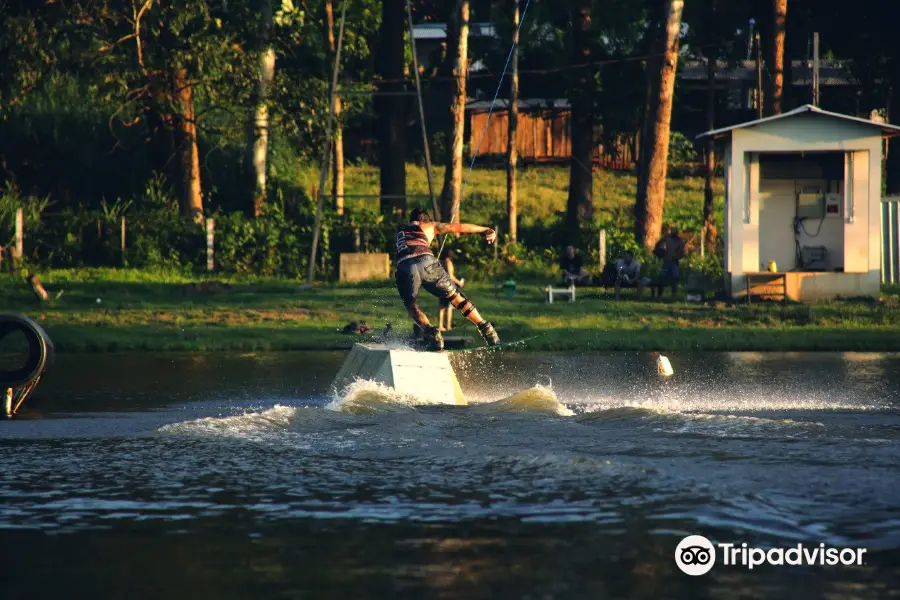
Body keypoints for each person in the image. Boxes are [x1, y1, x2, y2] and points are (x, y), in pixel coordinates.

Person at [395, 207, 500, 351]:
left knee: (412, 306)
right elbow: (459, 227)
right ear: (425, 220)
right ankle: (486, 330)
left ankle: (434, 335)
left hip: (405, 266)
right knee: (455, 297)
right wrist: (486, 230)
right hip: (427, 262)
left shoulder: (400, 232)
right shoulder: (429, 226)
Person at [653, 227, 686, 298]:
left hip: (674, 263)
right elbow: (658, 245)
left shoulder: (680, 241)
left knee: (674, 279)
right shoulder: (666, 238)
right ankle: (659, 296)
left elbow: (682, 253)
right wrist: (659, 252)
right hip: (666, 262)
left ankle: (673, 296)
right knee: (661, 279)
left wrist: (676, 256)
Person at [437, 249, 465, 331]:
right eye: (452, 251)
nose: (453, 253)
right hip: (448, 286)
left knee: (442, 307)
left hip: (441, 285)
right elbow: (451, 276)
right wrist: (459, 283)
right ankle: (448, 326)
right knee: (449, 307)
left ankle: (440, 326)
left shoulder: (441, 261)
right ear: (449, 252)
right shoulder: (448, 262)